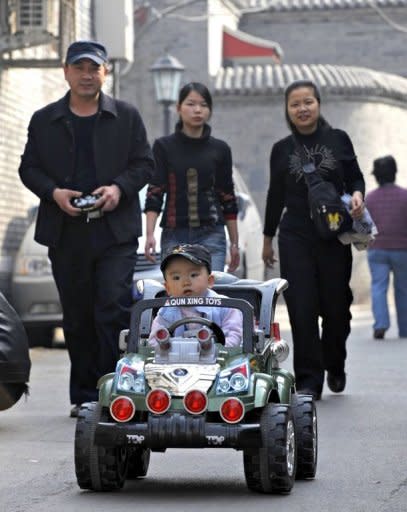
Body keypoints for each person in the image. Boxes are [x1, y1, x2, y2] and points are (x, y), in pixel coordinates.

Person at [18, 40, 155, 417]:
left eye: (93, 68)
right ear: (65, 71)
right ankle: (83, 396)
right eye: (79, 67)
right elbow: (28, 168)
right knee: (77, 315)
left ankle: (112, 390)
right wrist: (54, 193)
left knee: (112, 307)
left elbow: (145, 164)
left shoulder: (126, 116)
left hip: (114, 232)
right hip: (67, 230)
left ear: (104, 73)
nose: (86, 75)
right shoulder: (44, 119)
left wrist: (118, 189)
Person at [262, 79, 366, 400]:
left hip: (333, 234)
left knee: (337, 309)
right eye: (295, 104)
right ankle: (309, 379)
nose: (302, 108)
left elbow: (355, 176)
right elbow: (274, 196)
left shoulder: (338, 140)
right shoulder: (281, 149)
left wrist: (358, 195)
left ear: (318, 104)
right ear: (288, 111)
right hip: (294, 235)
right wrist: (268, 238)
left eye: (308, 102)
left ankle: (335, 362)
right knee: (301, 308)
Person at [144, 82, 240, 273]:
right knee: (177, 296)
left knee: (212, 295)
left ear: (210, 110)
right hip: (174, 234)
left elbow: (227, 197)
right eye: (191, 104)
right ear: (178, 108)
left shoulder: (220, 149)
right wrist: (149, 235)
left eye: (203, 105)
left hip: (212, 233)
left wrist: (234, 243)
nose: (197, 110)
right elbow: (155, 192)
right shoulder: (164, 147)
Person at [148, 244, 242, 347]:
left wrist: (215, 350)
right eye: (176, 278)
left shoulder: (225, 307)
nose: (186, 282)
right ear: (168, 288)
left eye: (193, 275)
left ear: (209, 281)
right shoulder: (166, 311)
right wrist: (166, 348)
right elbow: (153, 342)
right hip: (176, 361)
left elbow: (235, 337)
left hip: (219, 360)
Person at [365, 155, 407, 340]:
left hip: (377, 249)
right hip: (402, 250)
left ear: (376, 176)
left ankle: (380, 325)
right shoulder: (405, 196)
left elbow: (365, 225)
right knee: (403, 289)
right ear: (394, 173)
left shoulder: (370, 198)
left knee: (378, 287)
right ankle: (405, 328)